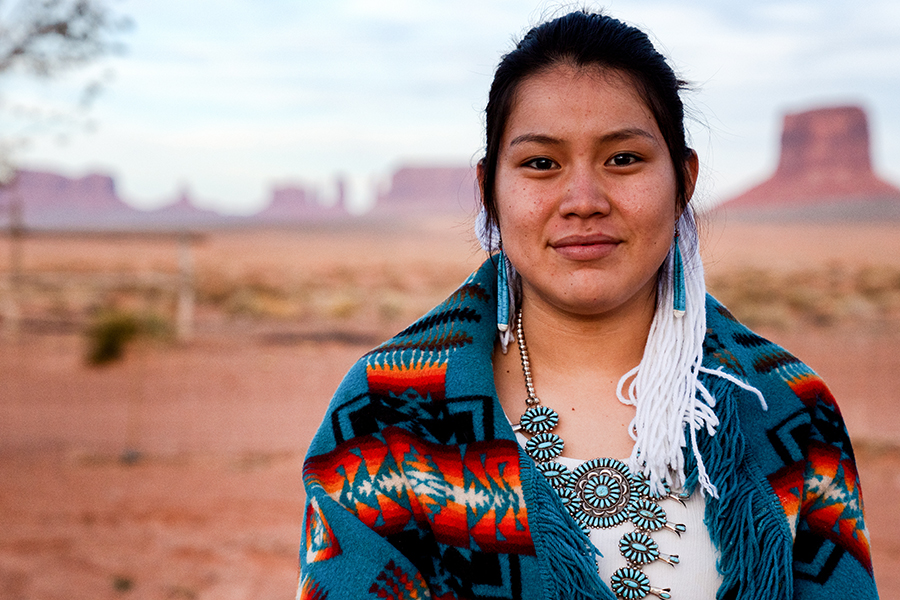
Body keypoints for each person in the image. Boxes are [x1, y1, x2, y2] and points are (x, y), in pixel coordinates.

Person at [298, 10, 877, 600]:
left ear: (684, 180)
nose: (583, 201)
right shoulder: (386, 417)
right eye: (541, 163)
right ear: (488, 190)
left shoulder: (790, 409)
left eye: (623, 159)